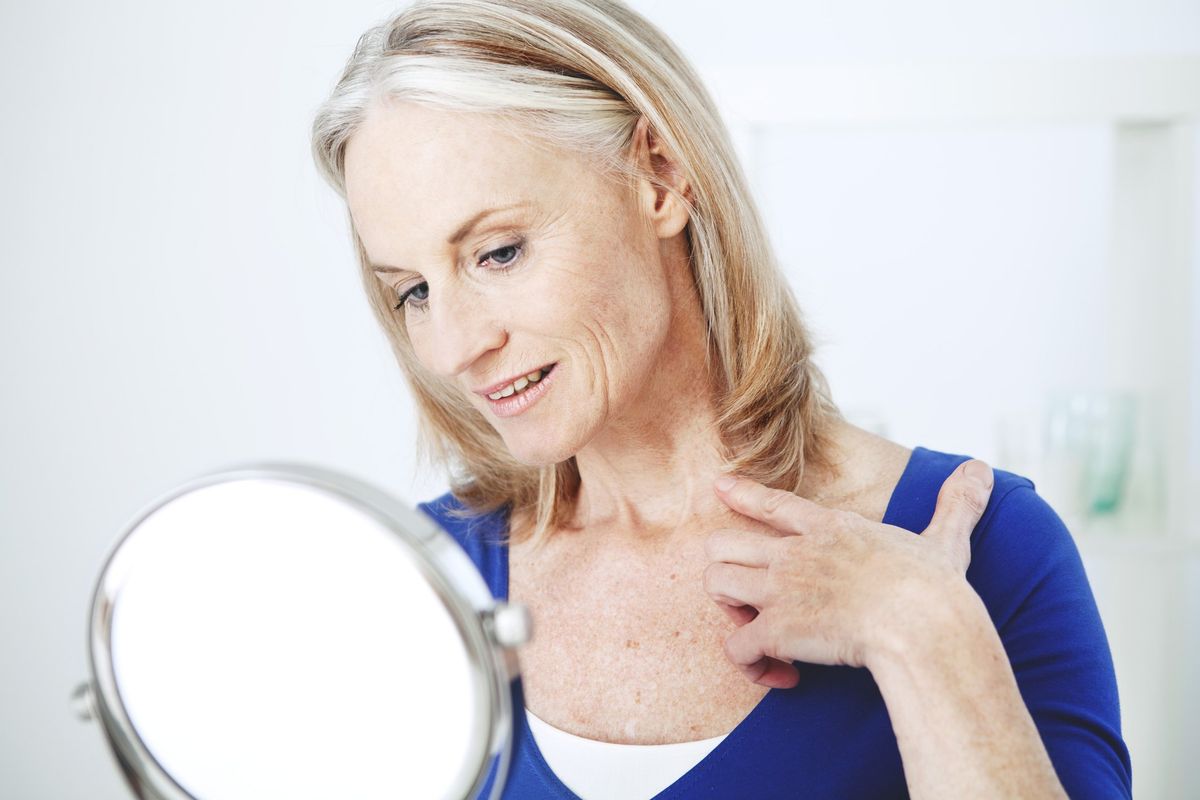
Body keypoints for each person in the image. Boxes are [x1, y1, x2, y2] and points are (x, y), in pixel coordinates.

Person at [311, 1, 1133, 797]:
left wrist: (923, 631)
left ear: (659, 174)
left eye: (497, 253)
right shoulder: (427, 582)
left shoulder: (980, 547)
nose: (454, 348)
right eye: (413, 291)